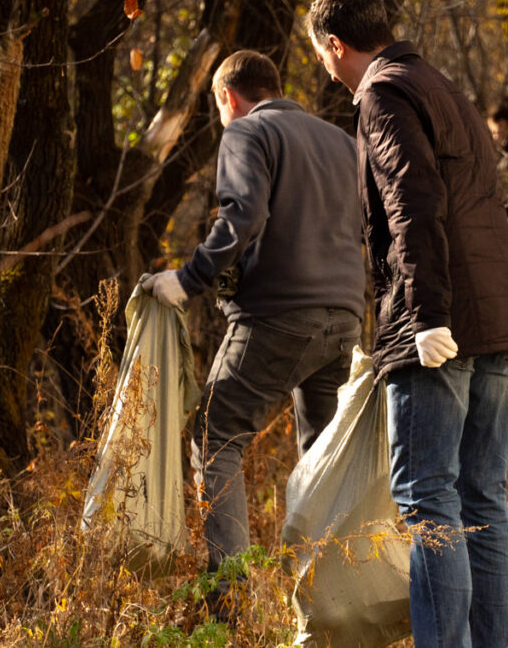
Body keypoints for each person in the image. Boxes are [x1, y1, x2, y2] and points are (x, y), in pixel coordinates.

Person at [307, 0, 508, 647]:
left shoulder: (381, 93)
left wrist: (427, 313)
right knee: (481, 497)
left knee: (431, 498)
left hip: (439, 323)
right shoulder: (443, 86)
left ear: (334, 45)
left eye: (320, 53)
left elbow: (411, 198)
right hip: (495, 317)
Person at [142, 50, 365, 613]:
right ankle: (327, 606)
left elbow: (241, 217)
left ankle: (229, 601)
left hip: (278, 316)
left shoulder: (246, 133)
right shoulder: (339, 141)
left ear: (227, 97)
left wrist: (188, 280)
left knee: (215, 437)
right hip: (345, 317)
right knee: (322, 459)